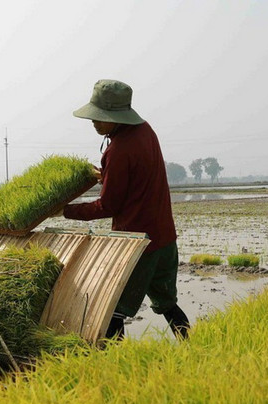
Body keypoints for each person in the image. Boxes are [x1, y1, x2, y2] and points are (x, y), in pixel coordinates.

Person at [63, 79, 190, 340]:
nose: (94, 122)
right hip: (164, 238)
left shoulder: (118, 150)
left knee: (114, 309)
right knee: (167, 304)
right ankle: (194, 349)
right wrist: (108, 176)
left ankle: (113, 366)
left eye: (99, 117)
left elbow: (107, 206)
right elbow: (139, 176)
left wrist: (65, 210)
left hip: (138, 244)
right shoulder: (145, 131)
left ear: (116, 117)